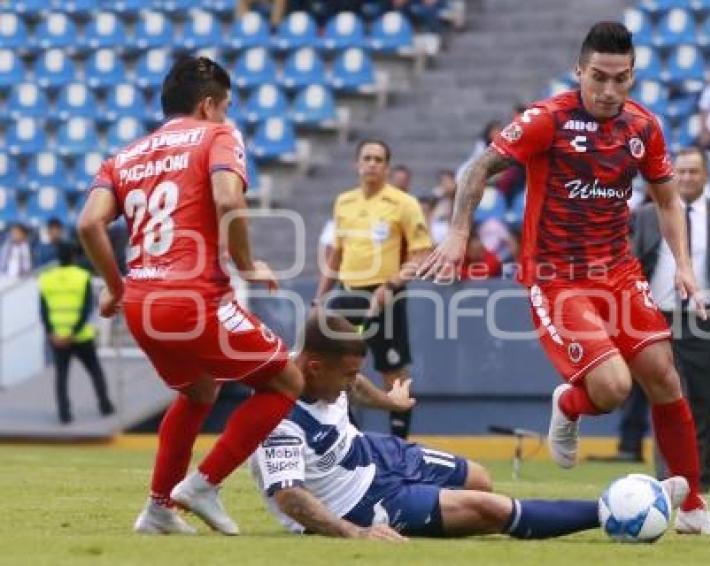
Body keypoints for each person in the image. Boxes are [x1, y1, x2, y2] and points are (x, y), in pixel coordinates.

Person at [419, 21, 710, 535]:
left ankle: (694, 508)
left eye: (621, 79)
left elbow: (667, 198)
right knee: (612, 389)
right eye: (599, 78)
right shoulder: (548, 119)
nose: (609, 91)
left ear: (632, 77)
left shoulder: (643, 128)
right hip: (556, 278)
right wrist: (457, 233)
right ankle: (568, 403)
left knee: (664, 375)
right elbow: (478, 169)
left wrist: (682, 265)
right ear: (579, 72)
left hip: (617, 270)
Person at [76, 56, 304, 536]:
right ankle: (203, 484)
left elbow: (88, 223)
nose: (225, 115)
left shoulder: (125, 156)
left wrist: (116, 289)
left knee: (198, 390)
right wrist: (247, 264)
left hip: (141, 302)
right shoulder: (218, 135)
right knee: (286, 380)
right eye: (223, 106)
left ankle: (158, 508)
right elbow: (227, 199)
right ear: (207, 105)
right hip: (193, 297)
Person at [251, 312, 690, 539]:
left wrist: (389, 401)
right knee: (489, 511)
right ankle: (624, 508)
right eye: (344, 375)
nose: (350, 382)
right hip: (362, 503)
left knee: (481, 479)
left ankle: (461, 512)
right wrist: (355, 533)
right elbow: (290, 496)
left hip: (377, 453)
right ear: (311, 368)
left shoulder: (317, 365)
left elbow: (357, 383)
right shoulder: (276, 419)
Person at [622, 147, 710, 493]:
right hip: (656, 318)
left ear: (706, 176)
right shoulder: (645, 215)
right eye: (681, 171)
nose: (686, 178)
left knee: (702, 402)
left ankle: (699, 484)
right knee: (664, 399)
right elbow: (627, 259)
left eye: (693, 172)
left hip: (704, 318)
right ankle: (667, 481)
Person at [314, 140, 433, 439]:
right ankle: (349, 437)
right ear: (357, 164)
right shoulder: (344, 202)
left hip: (387, 295)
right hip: (348, 293)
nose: (372, 164)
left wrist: (391, 284)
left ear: (387, 167)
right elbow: (336, 254)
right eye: (366, 158)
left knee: (392, 371)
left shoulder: (404, 204)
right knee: (337, 368)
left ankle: (398, 444)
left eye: (379, 159)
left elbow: (420, 255)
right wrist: (320, 296)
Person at [38, 241, 115, 424]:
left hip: (57, 336)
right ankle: (105, 406)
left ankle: (64, 415)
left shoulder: (45, 278)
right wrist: (73, 332)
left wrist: (51, 333)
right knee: (95, 371)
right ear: (74, 257)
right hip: (80, 335)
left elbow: (43, 310)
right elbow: (86, 308)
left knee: (61, 377)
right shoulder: (82, 277)